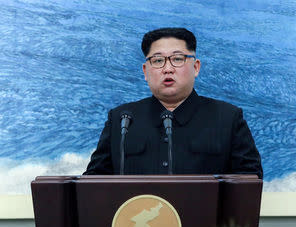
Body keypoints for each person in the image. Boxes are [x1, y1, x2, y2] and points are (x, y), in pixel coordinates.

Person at [84, 28, 262, 178]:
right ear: (146, 71)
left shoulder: (227, 118)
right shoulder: (122, 120)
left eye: (177, 59)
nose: (167, 68)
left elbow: (249, 182)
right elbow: (94, 182)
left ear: (196, 67)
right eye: (158, 60)